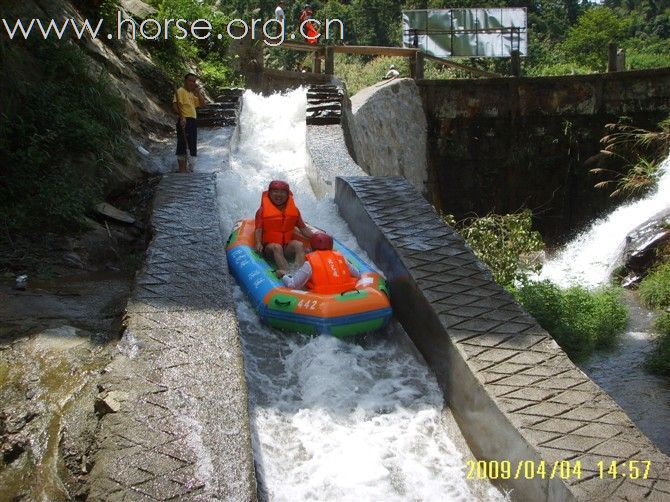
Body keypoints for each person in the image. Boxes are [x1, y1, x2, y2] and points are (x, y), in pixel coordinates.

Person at [255, 180, 315, 275]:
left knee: (299, 244)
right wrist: (258, 243)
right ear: (269, 193)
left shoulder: (294, 211)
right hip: (270, 249)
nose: (279, 195)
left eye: (283, 192)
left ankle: (300, 272)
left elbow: (303, 229)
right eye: (275, 191)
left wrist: (316, 238)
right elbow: (258, 229)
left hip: (286, 247)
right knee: (277, 247)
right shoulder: (261, 211)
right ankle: (289, 274)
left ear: (288, 195)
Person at [282, 233, 360, 292]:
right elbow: (357, 274)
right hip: (346, 293)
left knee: (304, 285)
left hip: (323, 297)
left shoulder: (309, 264)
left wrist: (284, 275)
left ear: (311, 247)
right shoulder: (341, 258)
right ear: (331, 247)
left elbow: (292, 285)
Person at [172, 73, 207, 173]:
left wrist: (198, 92)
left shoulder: (191, 94)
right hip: (184, 120)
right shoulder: (180, 91)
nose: (192, 83)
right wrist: (182, 117)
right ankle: (182, 170)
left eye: (194, 81)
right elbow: (175, 106)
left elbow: (203, 105)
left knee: (191, 145)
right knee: (183, 144)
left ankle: (189, 169)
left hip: (192, 121)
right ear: (185, 81)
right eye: (190, 81)